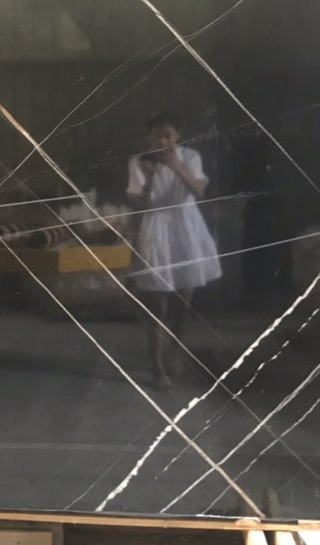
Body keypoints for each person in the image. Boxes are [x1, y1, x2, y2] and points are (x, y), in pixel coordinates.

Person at [126, 110, 222, 389]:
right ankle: (157, 369)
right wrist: (149, 177)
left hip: (186, 228)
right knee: (157, 304)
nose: (162, 142)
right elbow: (137, 204)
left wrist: (177, 167)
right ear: (149, 138)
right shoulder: (139, 162)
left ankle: (174, 354)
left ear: (177, 137)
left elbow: (199, 191)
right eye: (157, 137)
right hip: (155, 227)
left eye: (168, 136)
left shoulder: (190, 157)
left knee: (183, 302)